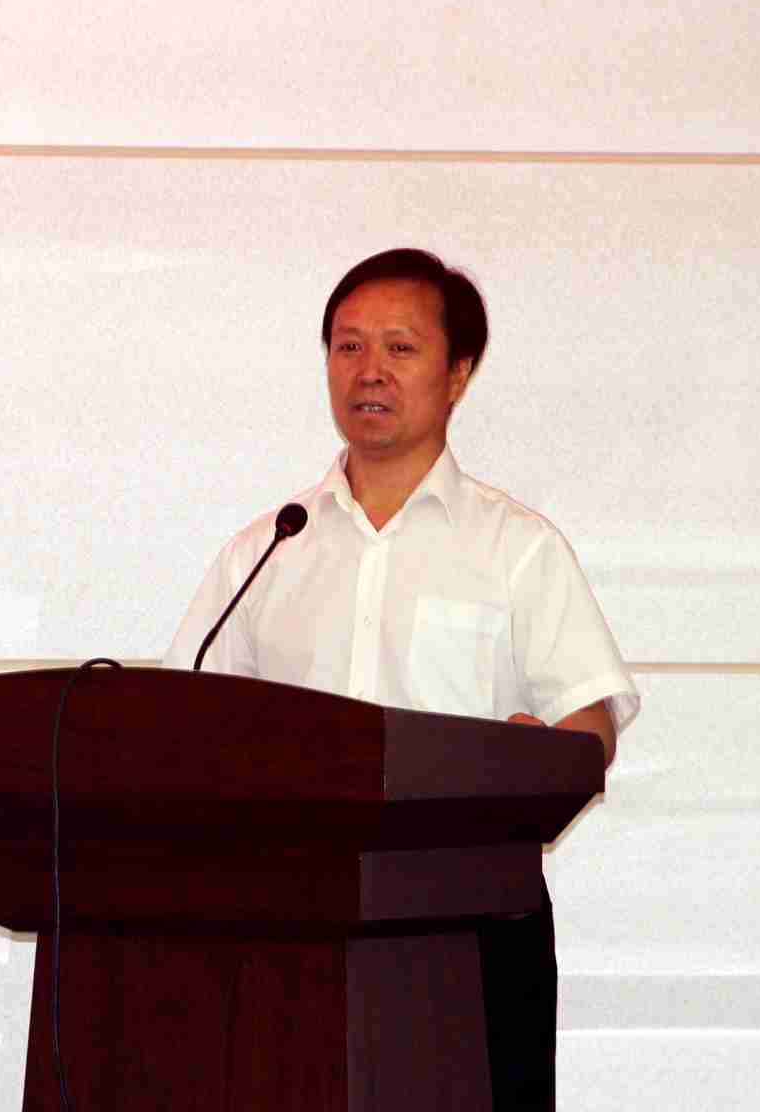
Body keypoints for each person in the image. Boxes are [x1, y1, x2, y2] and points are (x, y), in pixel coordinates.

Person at [164, 247, 638, 1111]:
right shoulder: (268, 549)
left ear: (458, 375)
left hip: (469, 921)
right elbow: (182, 723)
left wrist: (541, 758)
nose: (369, 370)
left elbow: (589, 722)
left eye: (400, 347)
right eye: (347, 347)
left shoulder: (514, 546)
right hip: (283, 923)